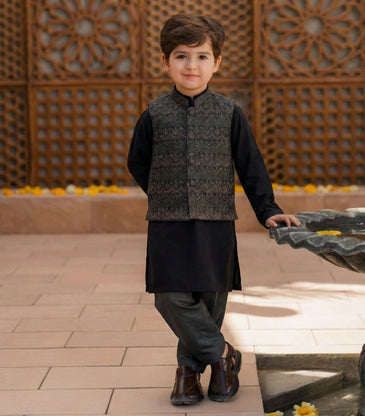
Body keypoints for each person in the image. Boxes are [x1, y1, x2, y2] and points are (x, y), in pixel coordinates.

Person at [127, 13, 301, 406]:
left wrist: (268, 209)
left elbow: (250, 165)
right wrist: (164, 193)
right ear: (166, 62)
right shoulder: (154, 114)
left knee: (210, 298)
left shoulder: (229, 113)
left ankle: (189, 371)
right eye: (182, 56)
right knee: (168, 296)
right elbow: (138, 162)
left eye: (202, 56)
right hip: (168, 222)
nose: (192, 65)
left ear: (217, 63)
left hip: (216, 221)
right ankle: (223, 356)